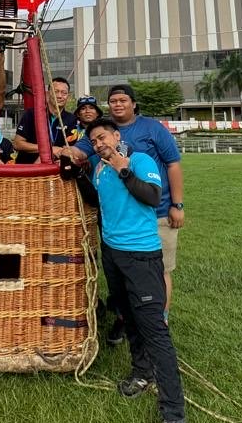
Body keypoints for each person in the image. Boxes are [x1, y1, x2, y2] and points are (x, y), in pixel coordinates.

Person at [87, 117, 186, 423]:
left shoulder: (140, 160)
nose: (99, 144)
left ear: (117, 136)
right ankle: (141, 371)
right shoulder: (99, 170)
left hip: (142, 255)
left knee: (154, 328)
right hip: (113, 253)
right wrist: (73, 173)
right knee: (128, 316)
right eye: (95, 141)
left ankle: (174, 415)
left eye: (103, 137)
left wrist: (122, 167)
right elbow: (97, 198)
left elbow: (151, 195)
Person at [71, 84, 184, 336]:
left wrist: (177, 205)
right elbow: (80, 150)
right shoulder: (100, 133)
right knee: (120, 274)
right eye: (113, 101)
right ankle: (125, 318)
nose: (118, 104)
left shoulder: (152, 128)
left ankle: (158, 319)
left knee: (160, 270)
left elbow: (173, 164)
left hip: (156, 209)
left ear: (133, 103)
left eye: (123, 100)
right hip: (118, 216)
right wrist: (63, 153)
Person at [13, 76, 78, 163]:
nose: (59, 96)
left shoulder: (72, 119)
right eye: (56, 92)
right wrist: (49, 150)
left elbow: (71, 148)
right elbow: (17, 144)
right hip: (27, 170)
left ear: (68, 97)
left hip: (55, 172)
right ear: (47, 94)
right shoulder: (31, 114)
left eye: (64, 93)